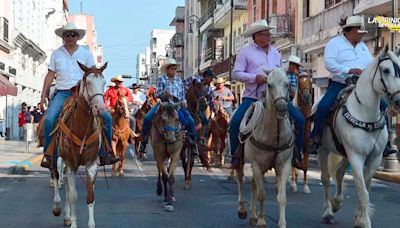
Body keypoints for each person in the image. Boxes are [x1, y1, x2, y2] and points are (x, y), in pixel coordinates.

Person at [309, 15, 396, 157]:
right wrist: (348, 70)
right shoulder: (335, 43)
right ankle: (316, 138)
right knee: (324, 106)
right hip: (340, 83)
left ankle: (385, 144)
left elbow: (370, 63)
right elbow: (329, 64)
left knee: (383, 106)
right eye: (360, 31)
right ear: (351, 30)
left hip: (361, 85)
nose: (362, 34)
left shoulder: (362, 47)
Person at [39, 22, 119, 169]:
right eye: (67, 34)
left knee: (106, 117)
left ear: (77, 37)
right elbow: (50, 74)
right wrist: (43, 94)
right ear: (63, 37)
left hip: (82, 92)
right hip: (62, 92)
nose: (70, 37)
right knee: (50, 119)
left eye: (73, 34)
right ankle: (49, 156)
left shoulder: (86, 54)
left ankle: (106, 152)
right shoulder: (56, 54)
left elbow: (93, 72)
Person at [229, 19, 304, 170]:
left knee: (300, 119)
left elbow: (280, 74)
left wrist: (286, 86)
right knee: (236, 121)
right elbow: (236, 73)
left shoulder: (276, 53)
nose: (268, 37)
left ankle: (296, 154)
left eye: (268, 34)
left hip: (276, 96)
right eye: (264, 34)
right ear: (255, 36)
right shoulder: (245, 53)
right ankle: (236, 156)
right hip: (253, 96)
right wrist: (254, 78)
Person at [138, 58, 197, 156]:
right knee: (147, 117)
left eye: (174, 69)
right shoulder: (161, 79)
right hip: (164, 105)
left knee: (190, 121)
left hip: (177, 106)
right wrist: (163, 94)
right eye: (171, 69)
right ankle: (143, 143)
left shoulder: (179, 81)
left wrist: (184, 102)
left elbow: (182, 95)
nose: (173, 71)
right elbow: (157, 94)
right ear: (167, 70)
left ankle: (194, 144)